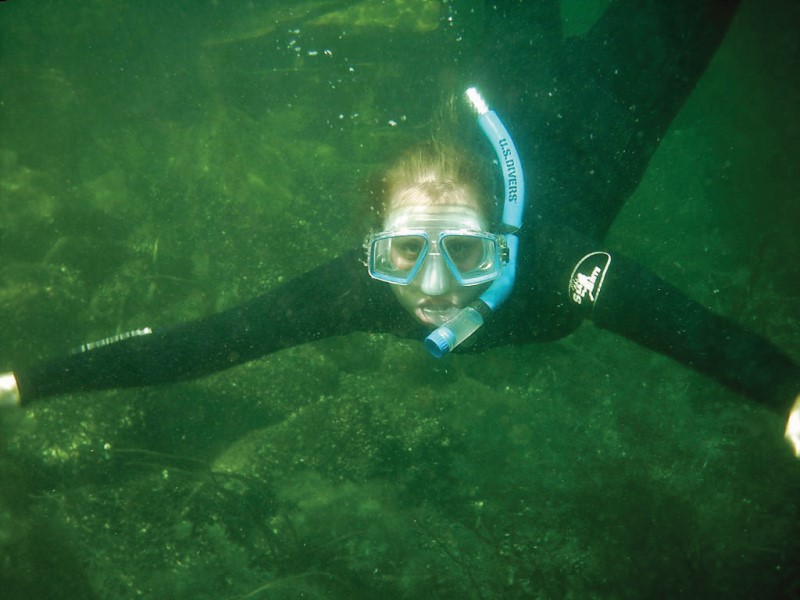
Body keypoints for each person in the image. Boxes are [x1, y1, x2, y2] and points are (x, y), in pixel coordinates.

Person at [2, 0, 800, 453]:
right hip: (538, 73)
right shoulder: (361, 288)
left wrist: (787, 396)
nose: (432, 284)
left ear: (505, 239)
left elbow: (692, 333)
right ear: (372, 248)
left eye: (465, 251)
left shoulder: (562, 262)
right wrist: (26, 382)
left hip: (604, 101)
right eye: (405, 251)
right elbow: (198, 346)